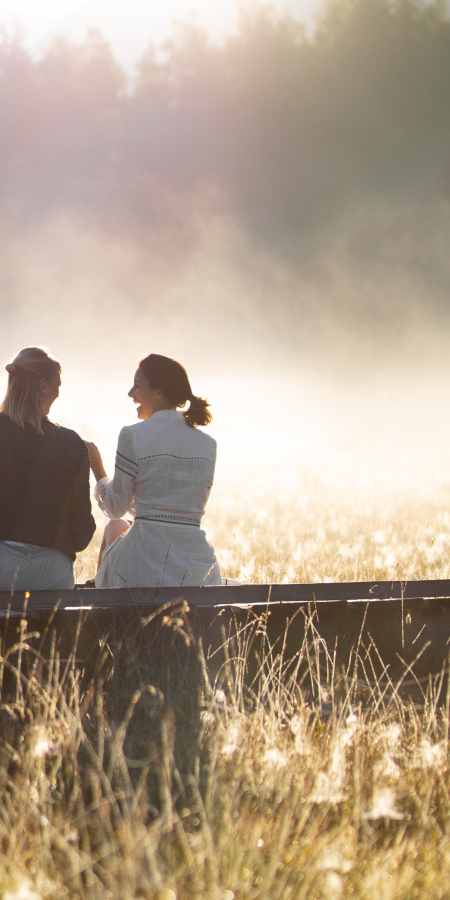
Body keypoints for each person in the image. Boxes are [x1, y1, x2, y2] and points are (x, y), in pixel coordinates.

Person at [86, 353, 222, 588]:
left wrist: (97, 468)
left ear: (159, 393)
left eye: (137, 386)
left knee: (114, 526)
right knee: (120, 526)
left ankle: (99, 614)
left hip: (140, 566)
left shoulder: (133, 435)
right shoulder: (208, 444)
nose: (130, 393)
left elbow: (115, 508)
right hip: (198, 567)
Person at [0, 347, 96, 591]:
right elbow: (82, 527)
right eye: (58, 385)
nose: (58, 393)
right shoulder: (72, 443)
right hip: (54, 572)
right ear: (43, 385)